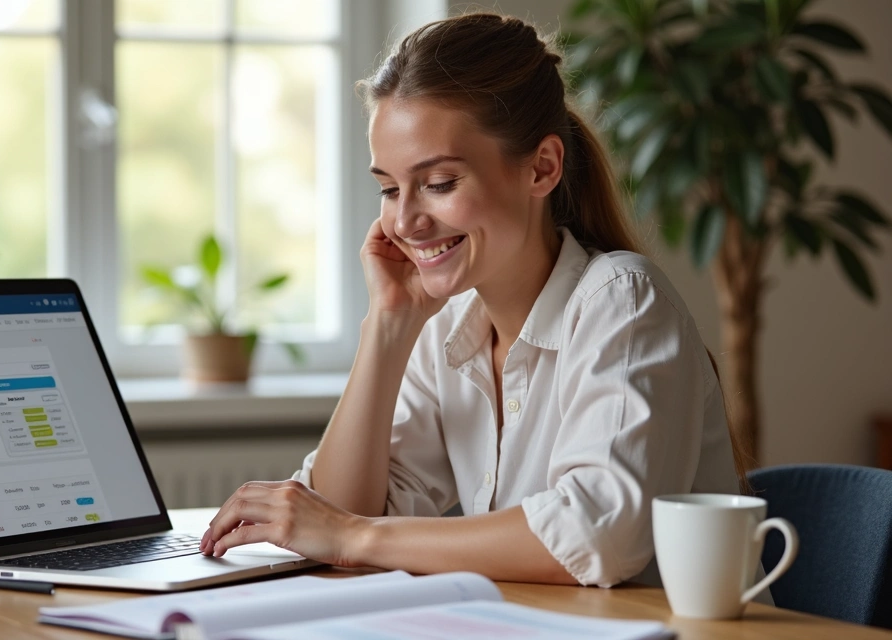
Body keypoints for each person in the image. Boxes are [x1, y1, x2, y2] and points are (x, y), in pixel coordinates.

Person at [199, 11, 749, 588]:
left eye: (438, 184)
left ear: (542, 168)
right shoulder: (449, 329)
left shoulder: (622, 302)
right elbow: (335, 517)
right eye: (389, 188)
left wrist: (351, 536)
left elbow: (597, 537)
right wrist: (387, 327)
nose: (405, 220)